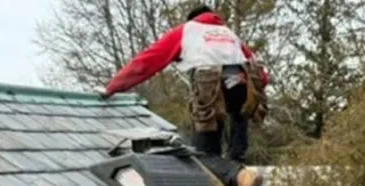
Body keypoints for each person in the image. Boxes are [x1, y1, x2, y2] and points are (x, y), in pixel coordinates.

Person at [100, 5, 269, 166]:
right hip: (243, 90)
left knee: (205, 153)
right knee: (240, 113)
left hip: (211, 91)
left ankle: (226, 171)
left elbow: (147, 61)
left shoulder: (187, 30)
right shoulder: (229, 34)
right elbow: (260, 73)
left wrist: (112, 87)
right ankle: (238, 160)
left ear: (191, 20)